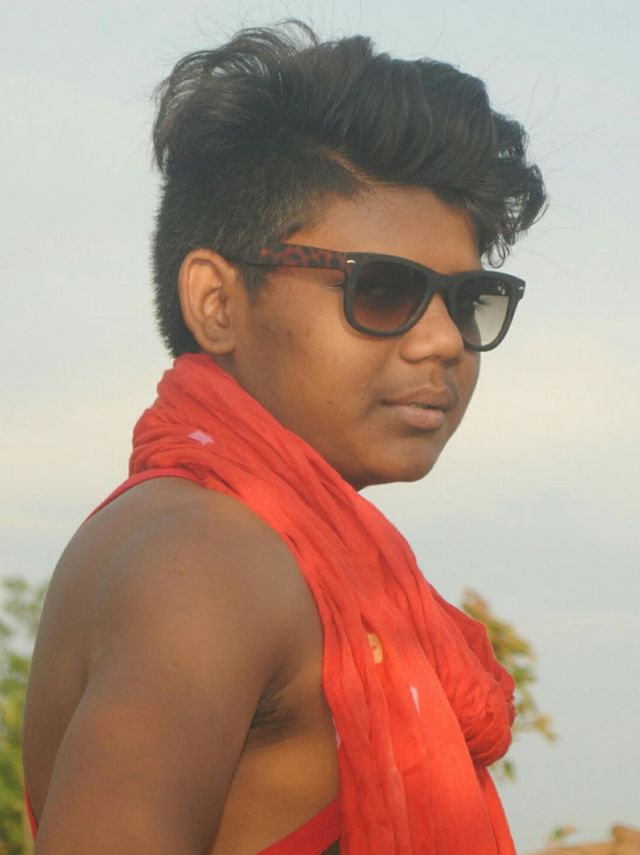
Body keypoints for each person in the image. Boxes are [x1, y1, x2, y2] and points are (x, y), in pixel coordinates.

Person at [22, 21, 546, 855]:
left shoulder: (243, 544)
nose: (444, 341)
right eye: (383, 290)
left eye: (468, 300)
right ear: (218, 302)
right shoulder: (206, 559)